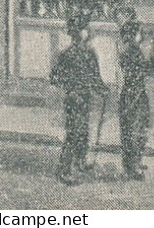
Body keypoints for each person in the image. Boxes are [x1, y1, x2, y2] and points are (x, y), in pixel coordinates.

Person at [49, 14, 108, 184]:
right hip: (76, 98)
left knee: (81, 132)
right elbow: (55, 77)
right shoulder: (75, 54)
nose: (88, 32)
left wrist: (101, 89)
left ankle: (80, 162)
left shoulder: (76, 54)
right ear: (80, 33)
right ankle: (64, 169)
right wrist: (73, 85)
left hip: (81, 97)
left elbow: (95, 78)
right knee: (74, 133)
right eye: (85, 29)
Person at [115, 12, 154, 181]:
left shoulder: (132, 51)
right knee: (134, 132)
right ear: (132, 36)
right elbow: (148, 70)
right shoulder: (132, 53)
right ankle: (131, 167)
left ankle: (134, 162)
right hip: (133, 95)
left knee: (137, 130)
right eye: (139, 33)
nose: (141, 36)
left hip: (135, 94)